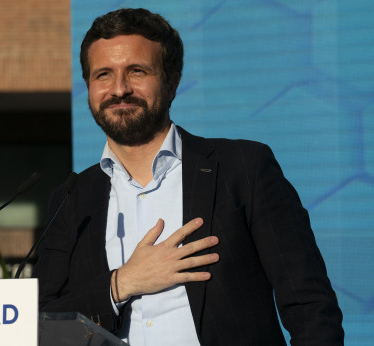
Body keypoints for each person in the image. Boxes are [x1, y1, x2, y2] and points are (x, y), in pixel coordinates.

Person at [33, 8, 343, 346]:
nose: (119, 89)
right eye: (103, 74)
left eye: (136, 71)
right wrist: (121, 284)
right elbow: (44, 320)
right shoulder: (71, 198)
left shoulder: (243, 168)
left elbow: (312, 308)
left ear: (172, 81)